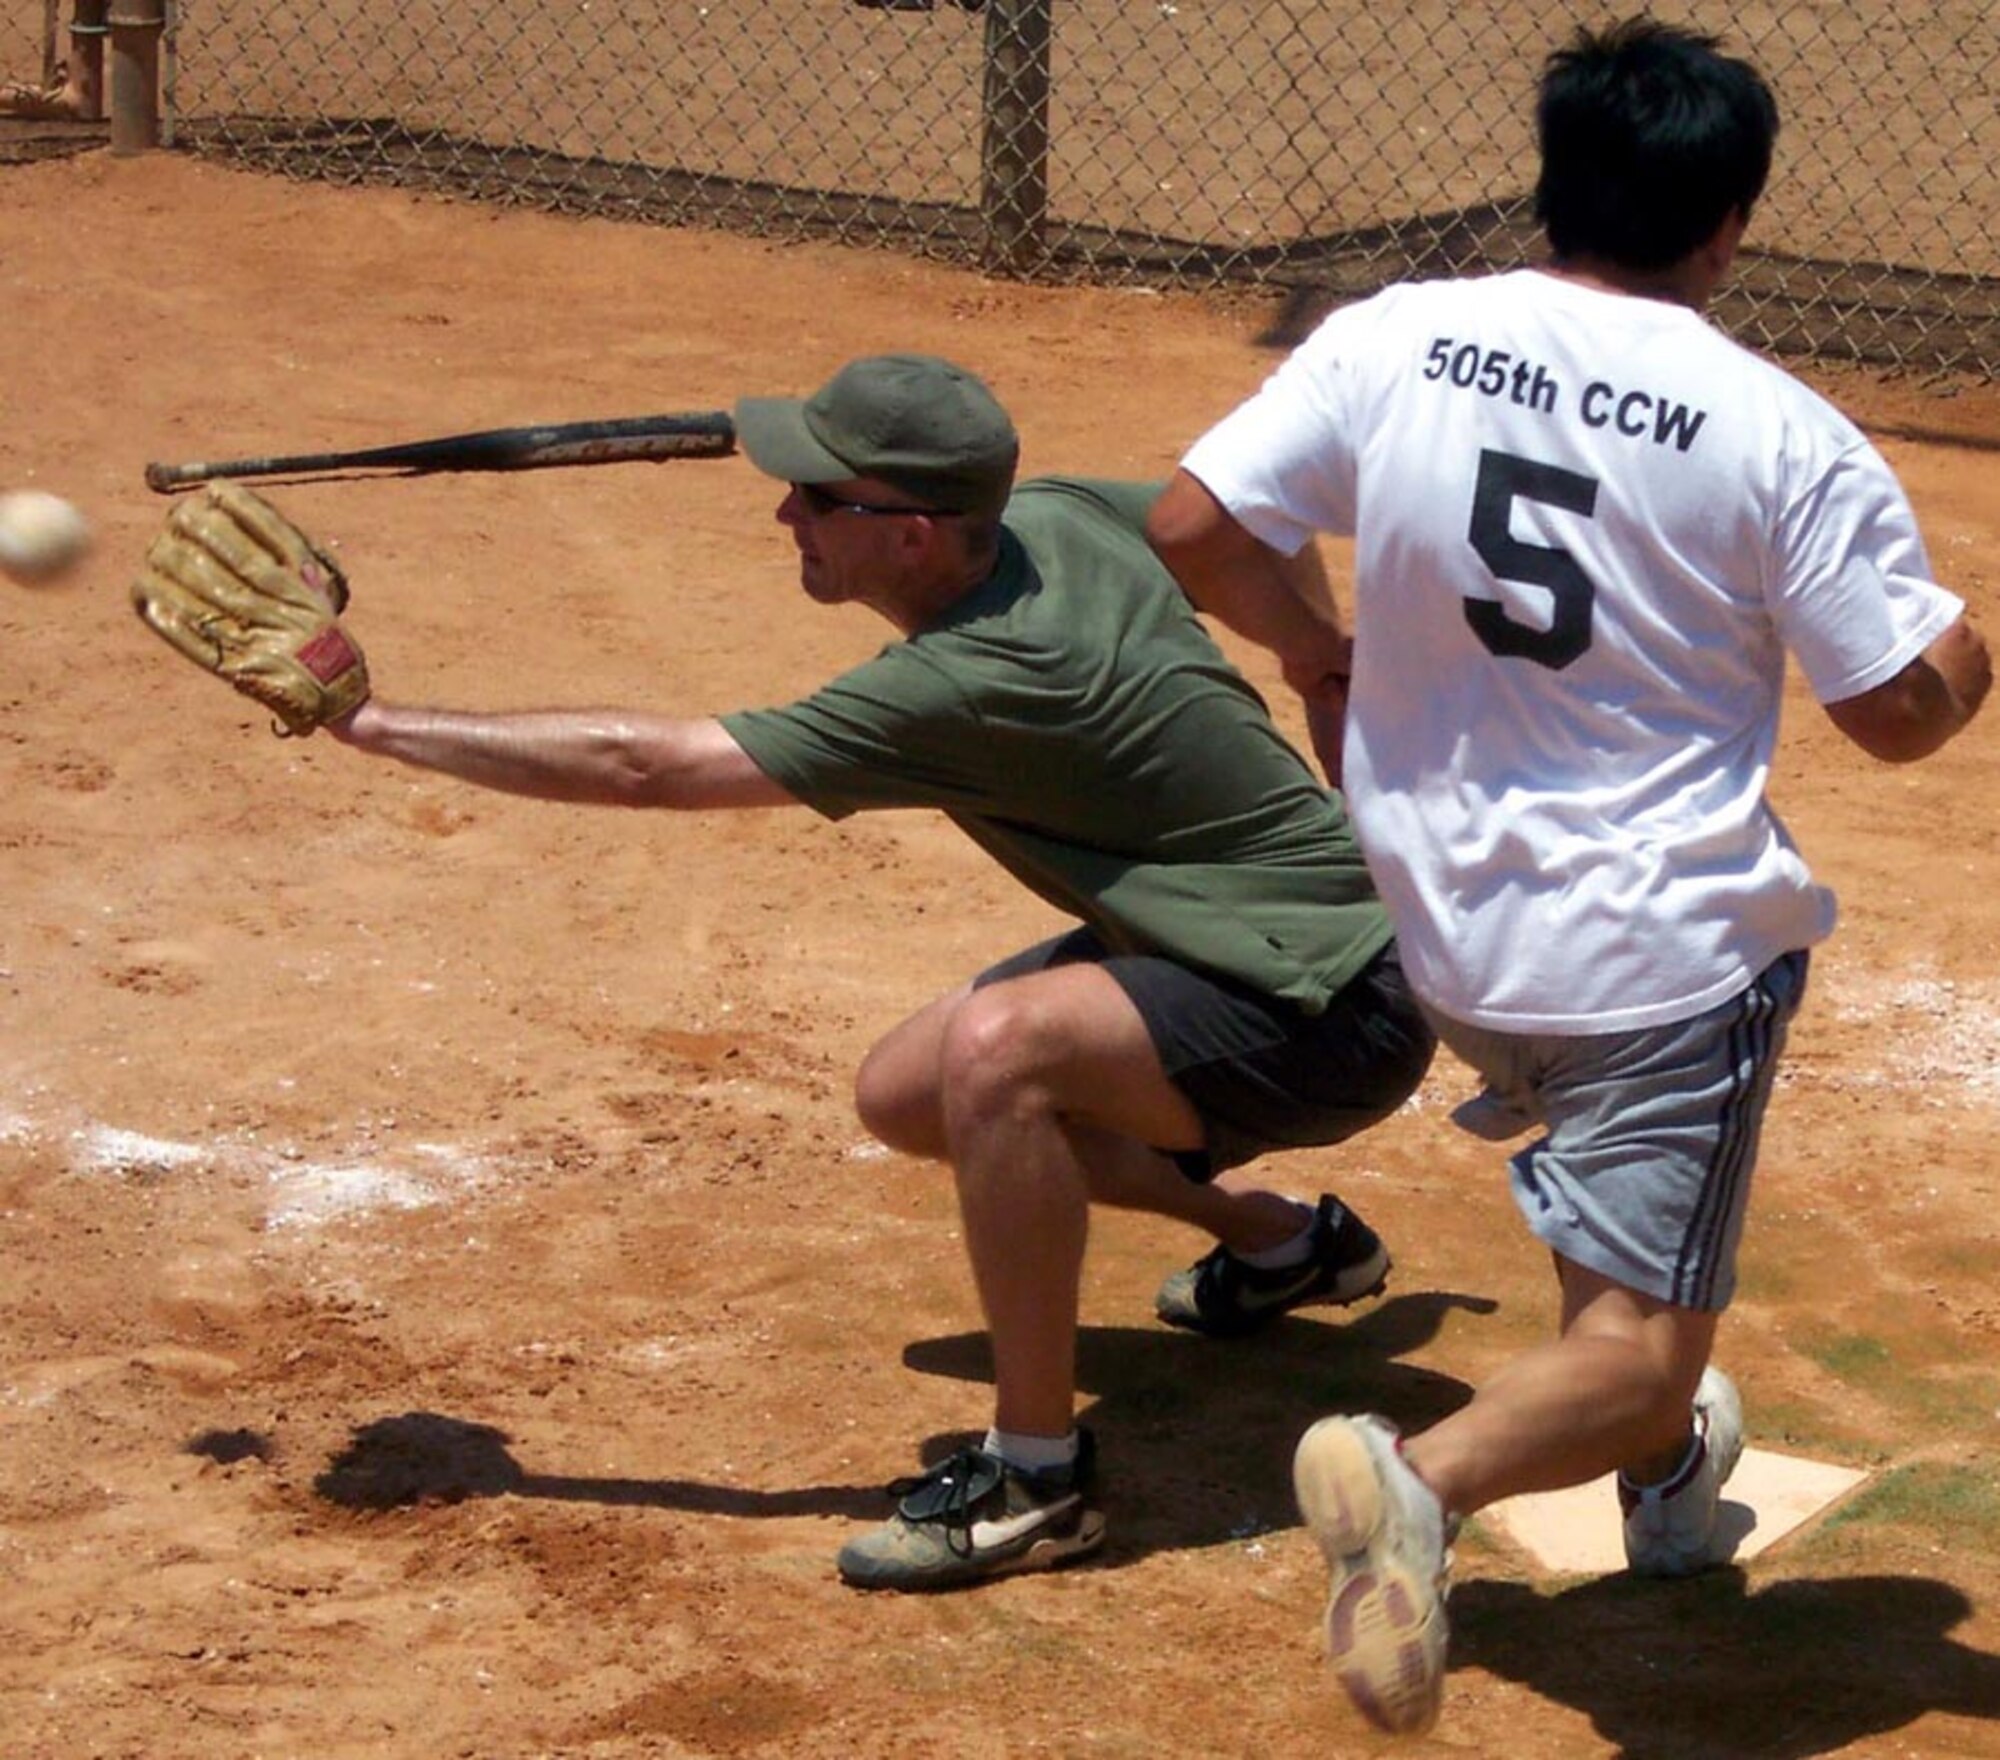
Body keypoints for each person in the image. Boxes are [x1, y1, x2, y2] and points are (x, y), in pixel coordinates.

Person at [1146, 18, 1990, 1736]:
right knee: (1637, 1338)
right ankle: (1418, 1482)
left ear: (1554, 183)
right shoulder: (1784, 432)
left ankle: (1670, 1478)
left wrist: (1324, 661)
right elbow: (1896, 714)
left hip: (1449, 932)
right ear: (1732, 220)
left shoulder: (1398, 336)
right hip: (1664, 962)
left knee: (1632, 1285)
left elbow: (1194, 528)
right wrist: (1977, 653)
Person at [321, 352, 1437, 1591]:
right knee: (907, 1095)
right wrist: (1312, 656)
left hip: (1333, 1003)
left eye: (815, 495)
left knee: (996, 1055)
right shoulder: (1055, 514)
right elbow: (1244, 523)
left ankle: (1035, 1479)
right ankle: (1282, 1244)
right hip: (1226, 943)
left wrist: (372, 724)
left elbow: (653, 766)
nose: (783, 513)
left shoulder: (969, 675)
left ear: (909, 534)